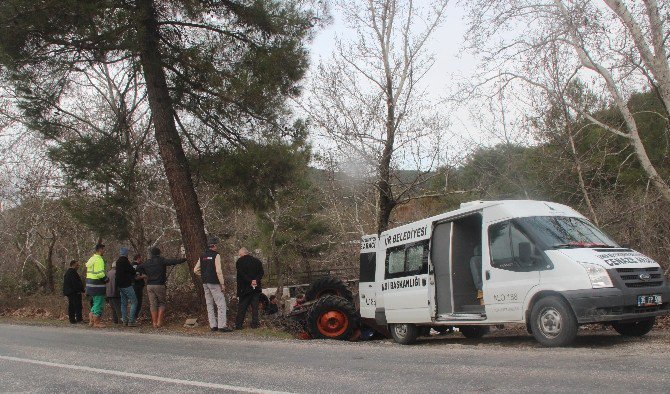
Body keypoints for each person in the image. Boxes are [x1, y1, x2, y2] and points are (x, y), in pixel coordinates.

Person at [137, 246, 187, 328]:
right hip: (159, 285)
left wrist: (145, 273)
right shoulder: (161, 260)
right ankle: (159, 322)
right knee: (161, 303)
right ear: (159, 253)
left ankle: (154, 323)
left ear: (151, 254)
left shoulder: (147, 262)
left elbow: (138, 268)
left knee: (153, 304)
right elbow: (174, 261)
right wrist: (184, 259)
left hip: (149, 285)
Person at [194, 237, 232, 332]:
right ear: (214, 246)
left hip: (205, 282)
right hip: (214, 282)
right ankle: (222, 326)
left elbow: (195, 270)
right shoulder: (216, 255)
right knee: (221, 303)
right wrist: (222, 283)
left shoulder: (202, 255)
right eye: (216, 245)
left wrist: (204, 275)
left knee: (209, 304)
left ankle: (213, 326)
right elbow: (218, 271)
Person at [235, 247, 264, 329]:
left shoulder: (239, 262)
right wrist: (255, 280)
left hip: (244, 288)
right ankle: (255, 324)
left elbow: (241, 274)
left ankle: (239, 325)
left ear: (242, 254)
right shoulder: (257, 261)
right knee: (255, 307)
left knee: (242, 307)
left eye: (239, 254)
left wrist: (250, 281)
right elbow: (261, 272)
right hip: (256, 288)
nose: (239, 256)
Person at [85, 243, 108, 328]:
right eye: (103, 249)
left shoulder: (91, 259)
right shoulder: (99, 259)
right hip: (97, 286)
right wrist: (106, 279)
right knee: (99, 303)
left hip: (90, 285)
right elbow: (100, 274)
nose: (104, 251)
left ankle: (91, 321)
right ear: (100, 249)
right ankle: (96, 322)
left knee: (95, 303)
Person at [115, 247, 138, 326]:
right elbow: (132, 270)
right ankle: (131, 321)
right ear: (126, 253)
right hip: (127, 285)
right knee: (134, 302)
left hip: (120, 286)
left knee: (123, 303)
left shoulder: (118, 261)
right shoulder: (125, 261)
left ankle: (124, 321)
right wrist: (135, 270)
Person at [62, 260, 84, 324]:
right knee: (77, 306)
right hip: (74, 292)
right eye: (77, 265)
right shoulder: (72, 272)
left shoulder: (68, 272)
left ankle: (72, 320)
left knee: (72, 306)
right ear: (73, 265)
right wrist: (81, 290)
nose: (78, 266)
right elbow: (75, 283)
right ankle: (79, 319)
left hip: (70, 292)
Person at [131, 254, 146, 321]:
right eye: (140, 258)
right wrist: (144, 276)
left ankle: (133, 317)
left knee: (134, 302)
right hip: (137, 286)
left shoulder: (131, 265)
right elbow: (136, 277)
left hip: (132, 286)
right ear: (138, 258)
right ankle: (134, 317)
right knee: (138, 302)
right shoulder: (138, 266)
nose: (141, 260)